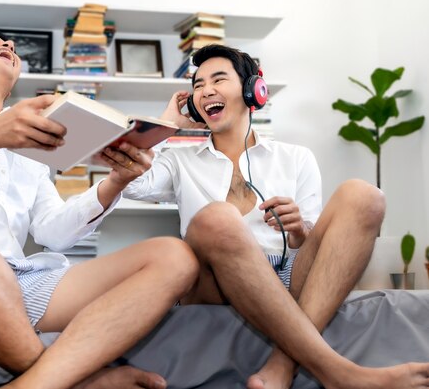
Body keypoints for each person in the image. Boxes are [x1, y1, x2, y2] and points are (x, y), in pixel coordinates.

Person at [0, 27, 199, 389]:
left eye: (12, 45)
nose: (9, 45)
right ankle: (80, 381)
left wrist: (115, 183)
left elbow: (53, 233)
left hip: (13, 285)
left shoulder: (30, 134)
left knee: (175, 257)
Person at [123, 44, 429, 389]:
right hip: (210, 280)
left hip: (285, 274)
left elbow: (313, 244)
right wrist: (168, 125)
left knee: (365, 196)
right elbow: (132, 185)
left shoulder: (295, 157)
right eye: (198, 86)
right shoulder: (179, 160)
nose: (206, 90)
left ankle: (281, 365)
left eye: (218, 79)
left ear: (254, 90)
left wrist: (300, 229)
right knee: (218, 219)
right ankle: (339, 371)